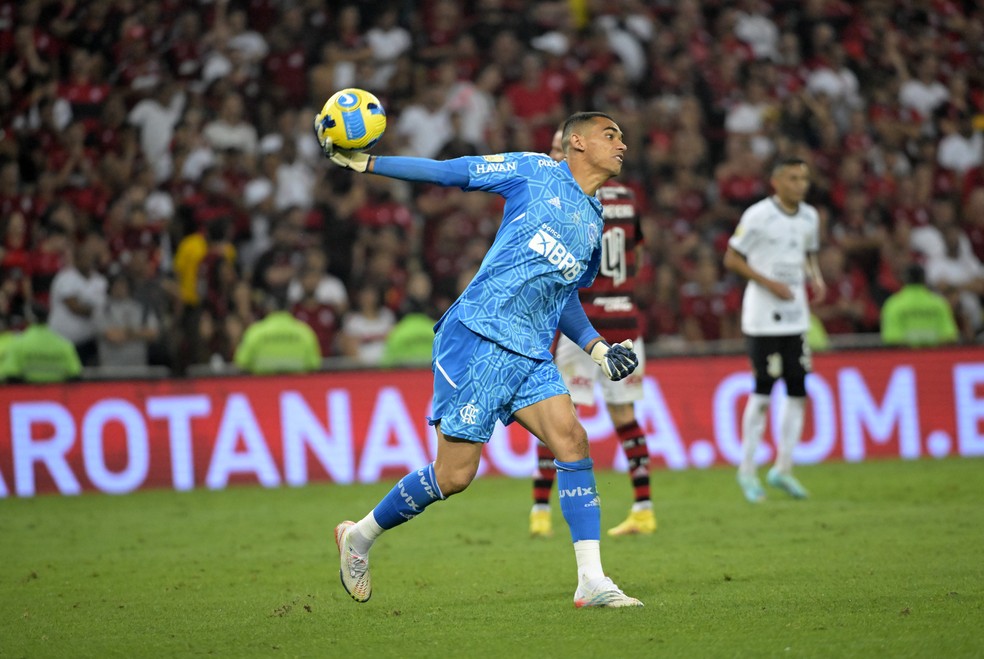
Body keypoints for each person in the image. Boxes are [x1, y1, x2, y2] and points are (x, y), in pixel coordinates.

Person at [316, 111, 644, 608]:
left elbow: (566, 295)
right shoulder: (535, 171)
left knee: (573, 441)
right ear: (576, 141)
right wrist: (367, 164)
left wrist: (598, 349)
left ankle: (591, 579)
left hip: (530, 350)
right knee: (455, 476)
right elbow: (453, 171)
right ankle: (359, 535)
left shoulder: (593, 219)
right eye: (610, 134)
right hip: (478, 336)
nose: (622, 144)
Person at [529, 127, 655, 540]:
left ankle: (540, 510)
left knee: (558, 418)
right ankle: (644, 507)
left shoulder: (571, 199)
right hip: (626, 320)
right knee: (626, 417)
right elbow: (634, 255)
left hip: (586, 325)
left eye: (556, 149)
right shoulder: (628, 198)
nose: (552, 156)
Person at [723, 156, 826, 503]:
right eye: (794, 178)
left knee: (798, 389)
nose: (801, 185)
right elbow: (732, 258)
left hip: (796, 317)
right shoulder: (758, 215)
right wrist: (770, 284)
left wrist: (817, 278)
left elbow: (808, 254)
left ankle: (783, 468)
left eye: (804, 178)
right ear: (777, 182)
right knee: (763, 389)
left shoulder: (810, 217)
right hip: (763, 317)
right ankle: (747, 470)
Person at [232, 298, 322, 375]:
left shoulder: (255, 332)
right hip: (297, 389)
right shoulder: (304, 332)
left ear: (268, 309)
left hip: (262, 388)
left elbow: (241, 363)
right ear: (290, 309)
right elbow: (314, 364)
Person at [881, 263, 959, 347]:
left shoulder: (893, 304)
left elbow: (892, 339)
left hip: (905, 358)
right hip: (935, 356)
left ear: (904, 279)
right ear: (924, 280)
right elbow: (949, 337)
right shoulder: (939, 303)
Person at [0, 305, 82, 383]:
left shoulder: (18, 344)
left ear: (27, 319)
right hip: (58, 394)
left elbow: (11, 374)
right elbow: (75, 374)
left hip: (27, 395)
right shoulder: (64, 344)